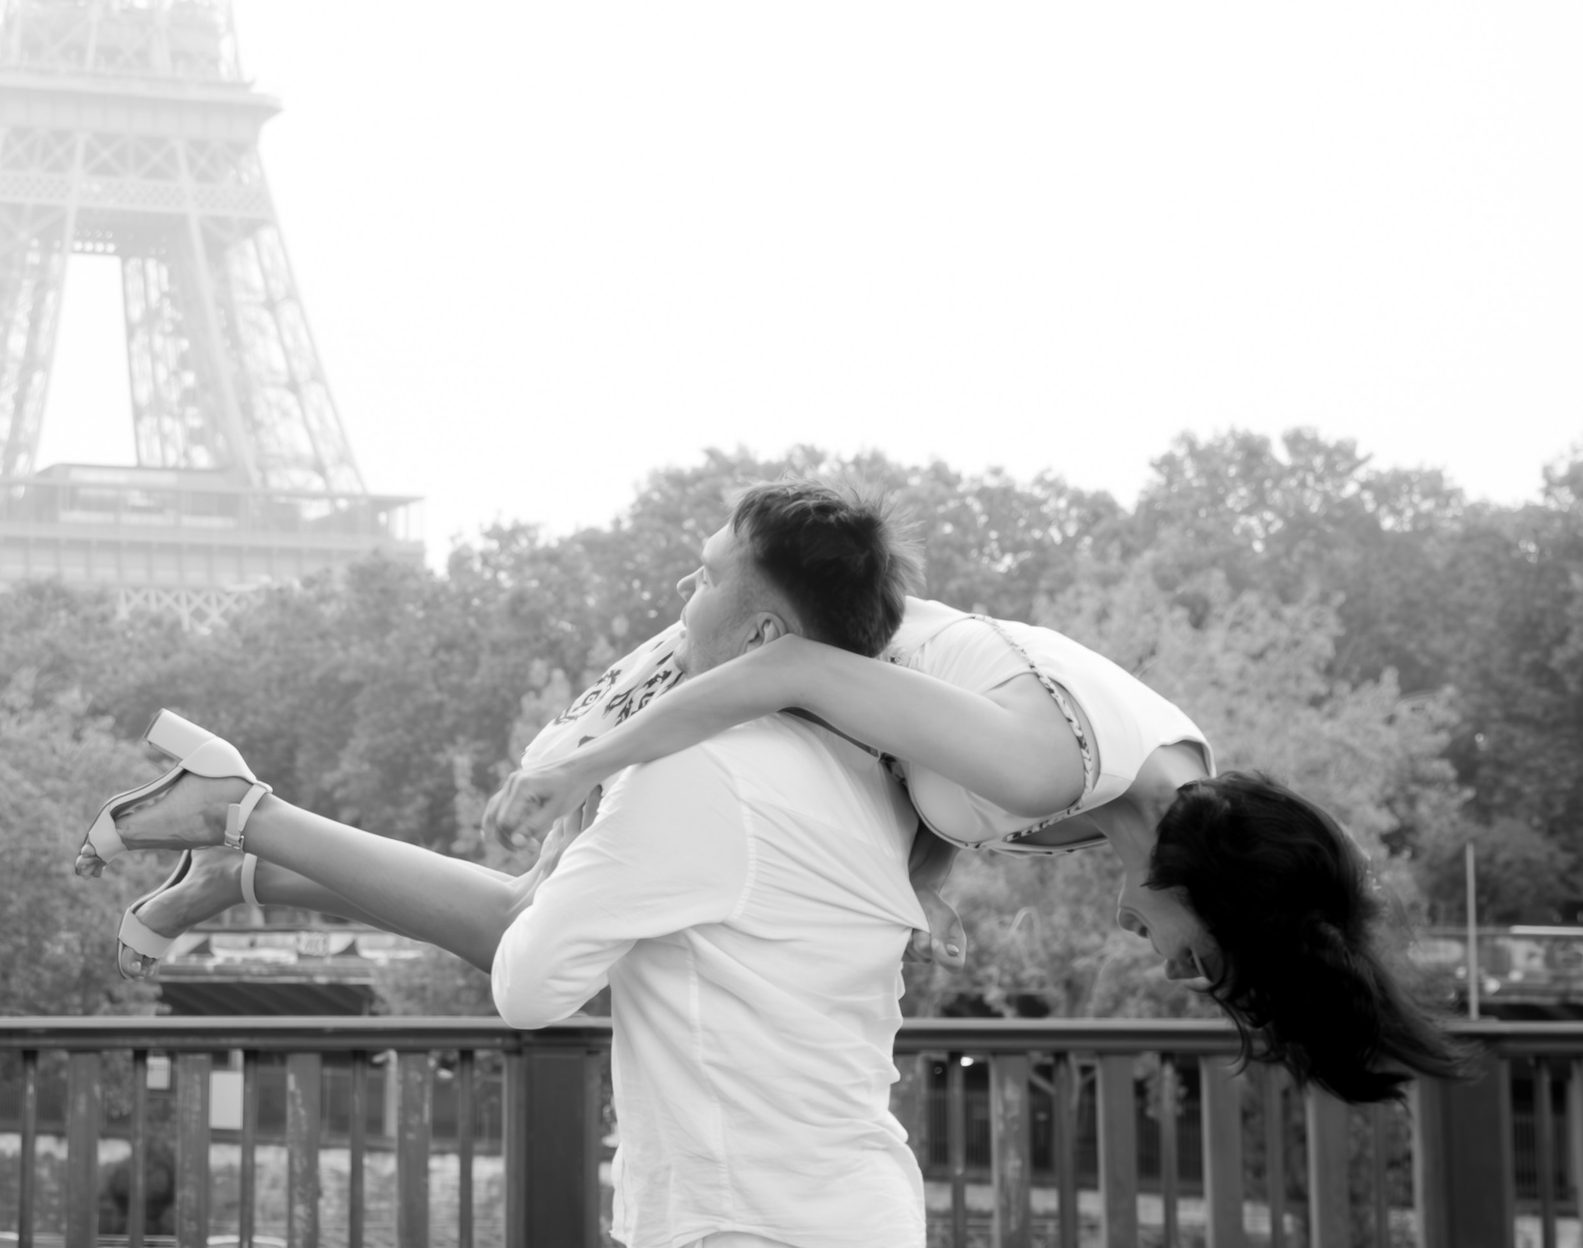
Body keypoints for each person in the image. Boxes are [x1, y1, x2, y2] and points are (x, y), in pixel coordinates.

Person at [78, 480, 1464, 1106]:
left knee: (563, 943)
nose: (1163, 961)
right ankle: (239, 817)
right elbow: (794, 658)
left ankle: (245, 858)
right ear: (1198, 885)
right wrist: (585, 759)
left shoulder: (1154, 778)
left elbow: (909, 755)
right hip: (743, 665)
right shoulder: (1060, 767)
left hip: (786, 706)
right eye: (1197, 954)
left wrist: (897, 899)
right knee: (533, 933)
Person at [82, 481, 934, 1248]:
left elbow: (526, 981)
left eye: (707, 577)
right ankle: (242, 836)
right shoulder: (873, 769)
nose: (683, 594)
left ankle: (242, 818)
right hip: (852, 1206)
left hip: (745, 1224)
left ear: (763, 634)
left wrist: (594, 808)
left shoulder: (700, 771)